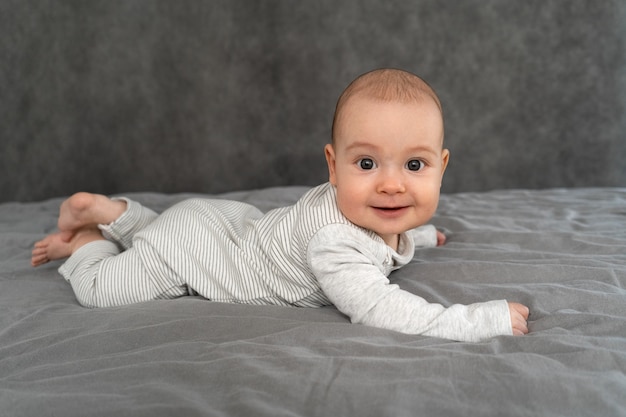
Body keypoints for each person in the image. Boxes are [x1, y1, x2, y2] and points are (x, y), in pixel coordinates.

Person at [31, 68, 529, 342]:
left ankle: (121, 215)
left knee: (168, 232)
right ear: (332, 167)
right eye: (367, 164)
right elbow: (384, 309)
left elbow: (380, 240)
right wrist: (479, 320)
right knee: (102, 291)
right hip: (196, 256)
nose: (392, 187)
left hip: (218, 224)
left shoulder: (367, 216)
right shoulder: (335, 242)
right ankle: (90, 239)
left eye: (414, 166)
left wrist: (416, 236)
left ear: (443, 165)